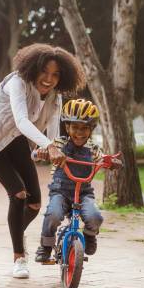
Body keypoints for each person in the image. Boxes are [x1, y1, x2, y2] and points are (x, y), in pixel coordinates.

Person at [0, 43, 85, 279]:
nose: (49, 79)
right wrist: (48, 146)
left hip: (16, 142)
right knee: (18, 194)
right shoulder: (17, 83)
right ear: (33, 68)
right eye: (44, 72)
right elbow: (22, 121)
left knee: (34, 204)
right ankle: (19, 258)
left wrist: (49, 149)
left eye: (55, 75)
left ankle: (16, 232)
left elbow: (54, 129)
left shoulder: (55, 96)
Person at [31, 99, 122, 263]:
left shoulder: (93, 148)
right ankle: (46, 245)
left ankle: (89, 235)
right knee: (53, 214)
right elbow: (37, 153)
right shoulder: (58, 144)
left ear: (91, 129)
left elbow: (102, 158)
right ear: (67, 127)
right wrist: (41, 153)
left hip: (84, 193)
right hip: (60, 191)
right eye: (75, 127)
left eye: (84, 128)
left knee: (95, 217)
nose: (79, 133)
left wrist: (111, 162)